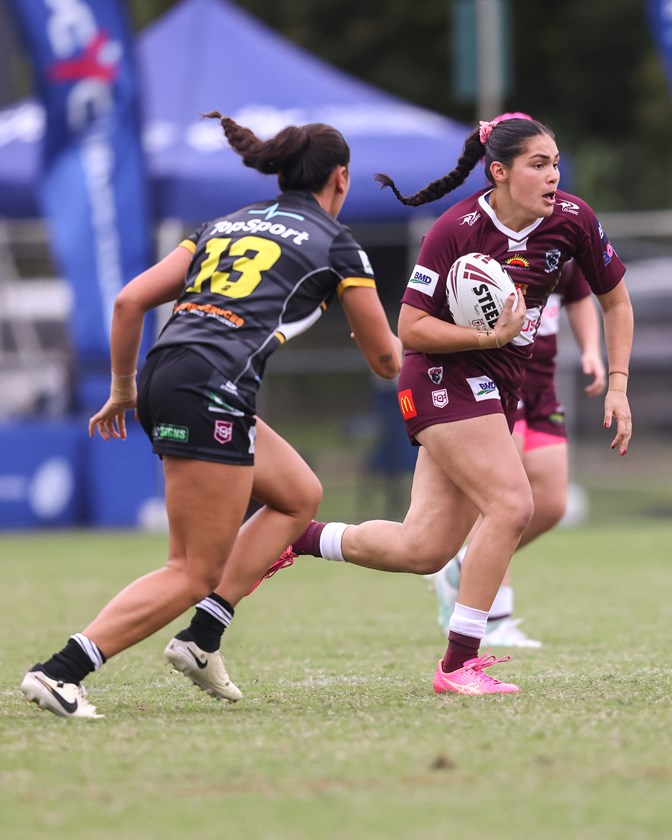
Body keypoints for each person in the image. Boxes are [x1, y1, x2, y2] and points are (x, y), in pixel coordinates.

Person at [20, 113, 402, 718]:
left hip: (166, 373)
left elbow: (129, 301)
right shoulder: (337, 244)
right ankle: (62, 671)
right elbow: (386, 360)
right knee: (192, 568)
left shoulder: (221, 224)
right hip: (213, 387)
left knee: (299, 494)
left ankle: (203, 637)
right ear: (341, 178)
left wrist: (122, 389)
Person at [252, 113, 632, 697]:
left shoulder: (573, 220)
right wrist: (486, 339)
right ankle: (458, 665)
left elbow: (615, 301)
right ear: (499, 173)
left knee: (424, 548)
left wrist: (619, 382)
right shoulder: (457, 229)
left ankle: (294, 537)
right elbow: (412, 327)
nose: (553, 175)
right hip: (439, 379)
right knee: (512, 505)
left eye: (555, 163)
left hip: (497, 388)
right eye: (539, 164)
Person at [433, 259, 607, 647]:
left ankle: (462, 566)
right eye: (548, 191)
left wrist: (591, 351)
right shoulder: (484, 243)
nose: (553, 195)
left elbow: (579, 297)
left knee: (551, 503)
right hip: (496, 378)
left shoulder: (560, 241)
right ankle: (494, 618)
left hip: (542, 384)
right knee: (504, 505)